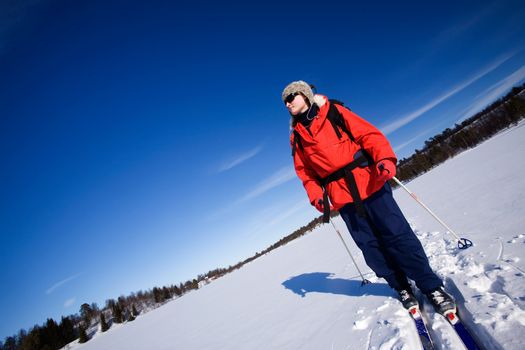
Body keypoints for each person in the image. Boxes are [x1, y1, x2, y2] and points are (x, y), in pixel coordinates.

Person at [282, 80, 455, 314]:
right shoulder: (297, 138)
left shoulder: (333, 111)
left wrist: (384, 159)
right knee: (370, 247)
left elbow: (369, 136)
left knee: (398, 235)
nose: (288, 102)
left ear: (305, 94)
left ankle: (431, 286)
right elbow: (306, 174)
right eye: (285, 100)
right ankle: (401, 286)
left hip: (369, 181)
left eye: (292, 96)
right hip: (341, 196)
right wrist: (317, 197)